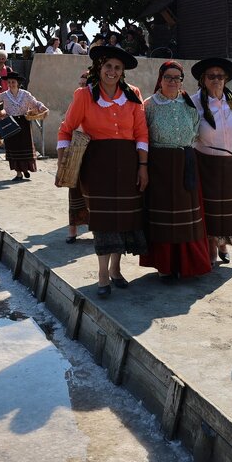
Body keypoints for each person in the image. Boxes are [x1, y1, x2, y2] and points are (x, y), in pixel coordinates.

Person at [57, 45, 149, 297]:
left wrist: (143, 166)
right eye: (108, 66)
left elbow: (141, 133)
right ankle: (101, 274)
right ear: (99, 67)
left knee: (124, 221)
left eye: (117, 68)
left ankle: (116, 270)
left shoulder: (133, 95)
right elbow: (66, 129)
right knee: (104, 220)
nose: (112, 71)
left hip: (129, 165)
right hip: (97, 167)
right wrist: (62, 160)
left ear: (123, 72)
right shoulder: (84, 95)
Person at [139, 61, 211, 279]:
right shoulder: (149, 105)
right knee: (163, 217)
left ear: (182, 81)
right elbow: (142, 136)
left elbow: (196, 132)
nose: (172, 81)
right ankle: (165, 265)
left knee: (186, 217)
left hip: (185, 164)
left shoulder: (189, 104)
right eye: (168, 77)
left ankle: (186, 263)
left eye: (177, 78)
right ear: (160, 79)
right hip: (159, 165)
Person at [191, 57, 232, 266]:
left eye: (220, 76)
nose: (216, 79)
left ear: (225, 79)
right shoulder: (194, 102)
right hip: (206, 164)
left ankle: (222, 242)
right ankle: (211, 248)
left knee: (228, 210)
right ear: (203, 79)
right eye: (211, 76)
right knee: (210, 210)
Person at [0, 71, 49, 181]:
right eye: (9, 82)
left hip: (23, 123)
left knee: (24, 146)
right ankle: (18, 173)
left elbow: (35, 103)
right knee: (13, 147)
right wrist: (0, 113)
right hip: (10, 122)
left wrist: (43, 108)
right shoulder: (3, 96)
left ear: (18, 83)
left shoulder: (25, 94)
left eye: (13, 82)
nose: (11, 84)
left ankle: (25, 169)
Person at [65, 69, 90, 244]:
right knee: (74, 190)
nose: (81, 87)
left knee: (93, 192)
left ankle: (97, 230)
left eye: (85, 84)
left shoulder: (96, 102)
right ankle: (72, 231)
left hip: (93, 151)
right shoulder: (75, 100)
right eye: (80, 84)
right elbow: (67, 124)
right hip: (76, 149)